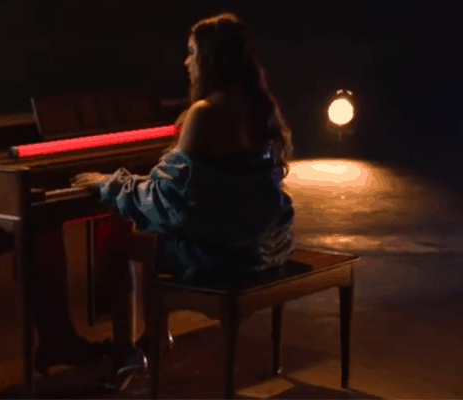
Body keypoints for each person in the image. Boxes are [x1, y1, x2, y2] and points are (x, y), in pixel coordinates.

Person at [70, 12, 296, 391]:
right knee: (148, 229)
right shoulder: (258, 106)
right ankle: (155, 338)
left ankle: (128, 353)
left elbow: (168, 201)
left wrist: (108, 184)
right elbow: (203, 191)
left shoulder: (205, 113)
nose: (186, 62)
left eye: (192, 53)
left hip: (224, 255)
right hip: (264, 243)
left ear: (211, 58)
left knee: (114, 240)